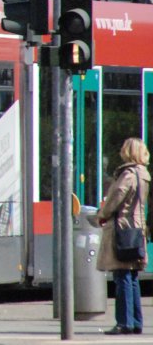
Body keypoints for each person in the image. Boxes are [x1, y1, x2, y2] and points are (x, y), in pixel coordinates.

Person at [96, 137, 150, 336]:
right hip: (137, 228)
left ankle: (124, 322)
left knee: (122, 276)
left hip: (123, 228)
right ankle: (136, 321)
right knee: (133, 276)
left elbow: (117, 195)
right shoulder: (143, 174)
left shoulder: (128, 174)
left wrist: (103, 214)